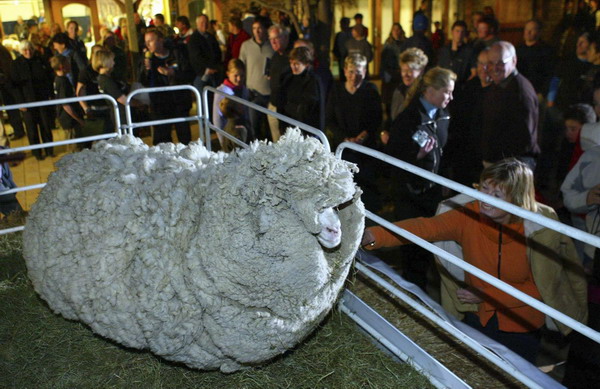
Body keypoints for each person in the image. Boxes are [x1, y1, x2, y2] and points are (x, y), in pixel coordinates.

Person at [363, 158, 588, 363]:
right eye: (484, 189)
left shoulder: (540, 231)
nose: (485, 200)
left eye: (497, 195)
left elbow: (543, 288)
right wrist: (374, 235)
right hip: (478, 314)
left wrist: (485, 293)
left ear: (517, 199)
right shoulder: (468, 215)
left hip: (523, 325)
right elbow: (424, 227)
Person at [326, 54, 382, 210]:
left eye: (358, 72)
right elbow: (329, 119)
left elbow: (376, 118)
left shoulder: (371, 90)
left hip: (365, 149)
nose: (354, 76)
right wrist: (344, 139)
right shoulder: (336, 90)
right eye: (351, 72)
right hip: (343, 147)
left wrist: (364, 135)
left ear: (364, 71)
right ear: (344, 71)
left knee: (366, 189)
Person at [482, 41, 540, 171]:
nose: (494, 68)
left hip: (510, 167)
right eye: (491, 63)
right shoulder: (499, 85)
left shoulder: (520, 92)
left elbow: (524, 139)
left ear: (514, 61)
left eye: (501, 63)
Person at [138, 28, 194, 145]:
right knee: (162, 140)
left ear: (160, 40)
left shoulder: (177, 54)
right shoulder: (147, 59)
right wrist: (147, 69)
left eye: (151, 41)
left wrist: (173, 73)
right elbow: (143, 81)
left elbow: (190, 74)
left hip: (179, 102)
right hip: (160, 105)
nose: (147, 44)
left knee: (184, 138)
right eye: (146, 41)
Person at [11, 40, 54, 160]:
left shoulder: (40, 61)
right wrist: (20, 102)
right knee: (31, 128)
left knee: (45, 125)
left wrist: (50, 95)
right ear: (21, 51)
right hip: (26, 101)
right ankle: (37, 153)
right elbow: (14, 86)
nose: (28, 52)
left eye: (30, 49)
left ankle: (49, 150)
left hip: (42, 99)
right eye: (25, 50)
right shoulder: (16, 64)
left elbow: (48, 79)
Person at [239, 17, 274, 141]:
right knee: (255, 129)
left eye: (259, 28)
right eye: (254, 28)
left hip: (270, 94)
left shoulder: (272, 45)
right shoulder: (246, 46)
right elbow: (241, 69)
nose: (257, 31)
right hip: (253, 93)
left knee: (271, 131)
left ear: (265, 30)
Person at [278, 46, 323, 132]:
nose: (293, 66)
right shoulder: (288, 79)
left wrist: (290, 108)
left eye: (297, 64)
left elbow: (309, 108)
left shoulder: (313, 81)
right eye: (291, 63)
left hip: (306, 129)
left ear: (306, 64)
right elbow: (281, 101)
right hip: (288, 126)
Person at [212, 59, 250, 148]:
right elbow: (217, 119)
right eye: (236, 75)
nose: (239, 79)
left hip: (242, 132)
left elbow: (246, 113)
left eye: (242, 75)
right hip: (229, 133)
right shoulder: (221, 92)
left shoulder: (244, 89)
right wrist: (223, 141)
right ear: (228, 74)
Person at [389, 47, 428, 122]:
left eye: (410, 70)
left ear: (421, 71)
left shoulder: (425, 94)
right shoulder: (399, 91)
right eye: (403, 70)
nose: (406, 74)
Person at [267, 24, 291, 142]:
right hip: (273, 106)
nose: (273, 42)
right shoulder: (275, 56)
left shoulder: (291, 58)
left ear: (286, 38)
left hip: (287, 110)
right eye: (271, 39)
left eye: (276, 38)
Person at [380, 23, 406, 121]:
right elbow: (383, 61)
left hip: (401, 74)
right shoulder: (388, 44)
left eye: (398, 29)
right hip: (390, 74)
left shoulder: (405, 43)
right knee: (389, 100)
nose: (396, 32)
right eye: (394, 29)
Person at [333, 17, 352, 82]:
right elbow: (335, 48)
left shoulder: (351, 35)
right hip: (341, 58)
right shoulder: (339, 35)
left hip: (350, 58)